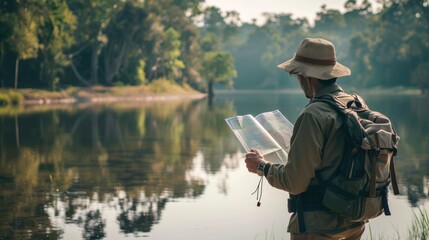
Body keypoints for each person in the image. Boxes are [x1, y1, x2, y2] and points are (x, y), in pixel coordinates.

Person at [244, 38, 366, 240]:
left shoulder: (312, 115)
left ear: (307, 76)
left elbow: (295, 182)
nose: (298, 80)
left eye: (296, 74)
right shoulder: (355, 104)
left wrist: (262, 167)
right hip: (354, 220)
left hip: (318, 227)